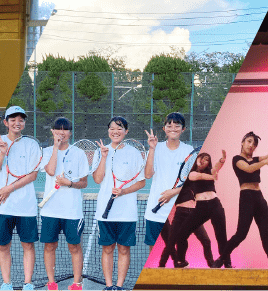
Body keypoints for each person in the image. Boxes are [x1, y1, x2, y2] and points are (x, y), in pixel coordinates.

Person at [214, 132, 268, 268]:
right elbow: (248, 169)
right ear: (242, 142)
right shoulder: (236, 159)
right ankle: (222, 259)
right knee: (241, 234)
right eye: (249, 142)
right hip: (246, 197)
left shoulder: (256, 159)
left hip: (259, 197)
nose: (251, 145)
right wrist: (265, 162)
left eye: (254, 144)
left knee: (265, 233)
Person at [0, 106, 38, 291]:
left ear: (24, 123)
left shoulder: (31, 145)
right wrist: (2, 152)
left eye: (21, 119)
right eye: (13, 119)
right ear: (6, 122)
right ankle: (6, 283)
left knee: (28, 245)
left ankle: (28, 283)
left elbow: (32, 176)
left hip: (26, 206)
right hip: (3, 206)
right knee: (4, 246)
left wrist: (9, 188)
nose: (17, 122)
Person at [93, 116, 146, 291]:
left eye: (119, 128)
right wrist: (103, 157)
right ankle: (109, 286)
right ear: (108, 131)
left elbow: (141, 182)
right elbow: (98, 179)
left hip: (127, 212)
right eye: (112, 128)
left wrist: (123, 191)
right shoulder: (101, 150)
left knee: (124, 250)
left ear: (126, 132)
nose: (115, 132)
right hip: (105, 212)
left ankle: (120, 286)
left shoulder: (134, 153)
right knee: (107, 249)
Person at [40, 118, 87, 291]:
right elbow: (51, 171)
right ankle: (51, 282)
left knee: (74, 247)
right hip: (50, 210)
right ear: (52, 131)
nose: (62, 132)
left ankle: (77, 283)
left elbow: (83, 182)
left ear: (70, 133)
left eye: (65, 129)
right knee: (49, 246)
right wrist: (55, 147)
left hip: (72, 211)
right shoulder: (45, 151)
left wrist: (70, 183)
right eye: (58, 129)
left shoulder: (79, 154)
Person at [141, 113, 195, 266]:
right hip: (155, 209)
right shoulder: (156, 148)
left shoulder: (189, 150)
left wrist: (173, 192)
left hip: (178, 210)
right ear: (164, 129)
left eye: (177, 125)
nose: (173, 128)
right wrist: (151, 148)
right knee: (154, 249)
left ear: (183, 129)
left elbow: (191, 181)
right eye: (169, 125)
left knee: (179, 248)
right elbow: (148, 174)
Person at [165, 152, 227, 269]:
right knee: (181, 235)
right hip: (200, 207)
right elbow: (197, 176)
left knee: (220, 236)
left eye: (207, 159)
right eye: (202, 158)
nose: (204, 160)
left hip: (215, 205)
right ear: (198, 159)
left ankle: (226, 263)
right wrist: (212, 176)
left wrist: (222, 160)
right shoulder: (192, 174)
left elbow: (216, 168)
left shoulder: (210, 171)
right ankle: (181, 261)